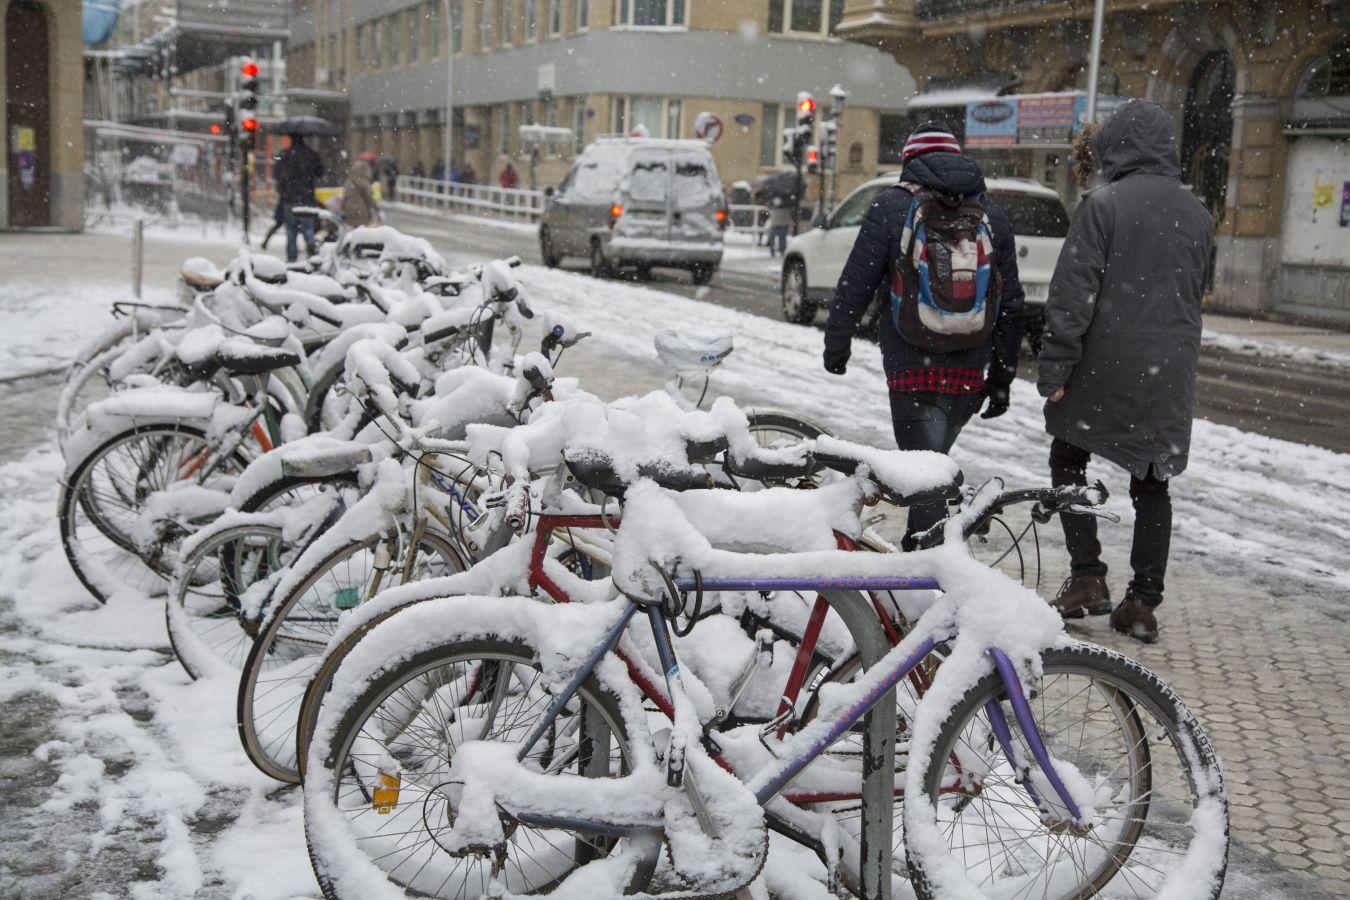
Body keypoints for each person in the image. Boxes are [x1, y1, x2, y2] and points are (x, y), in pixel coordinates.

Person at [1037, 100, 1213, 643]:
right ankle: (1142, 602)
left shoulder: (1103, 204)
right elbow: (1197, 289)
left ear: (1115, 145)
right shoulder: (1199, 213)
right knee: (1153, 478)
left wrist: (1056, 367)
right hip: (1169, 368)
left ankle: (1088, 576)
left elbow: (1073, 294)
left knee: (1068, 453)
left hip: (1105, 360)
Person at [823, 124, 1024, 547]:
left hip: (911, 362)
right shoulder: (992, 216)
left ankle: (924, 567)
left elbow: (856, 283)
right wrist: (1002, 378)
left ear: (909, 163)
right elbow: (1011, 303)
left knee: (927, 474)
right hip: (970, 366)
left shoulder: (891, 207)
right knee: (933, 466)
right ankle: (924, 558)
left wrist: (836, 343)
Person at [273, 134, 323, 263]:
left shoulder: (285, 155)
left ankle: (292, 260)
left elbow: (277, 174)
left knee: (291, 232)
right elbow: (320, 173)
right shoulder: (312, 155)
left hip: (289, 199)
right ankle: (313, 256)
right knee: (308, 229)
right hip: (307, 199)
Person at [340, 159, 379, 228]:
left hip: (349, 211)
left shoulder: (348, 181)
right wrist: (377, 209)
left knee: (353, 231)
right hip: (361, 211)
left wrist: (343, 208)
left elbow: (345, 197)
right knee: (361, 232)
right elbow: (369, 198)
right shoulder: (363, 182)